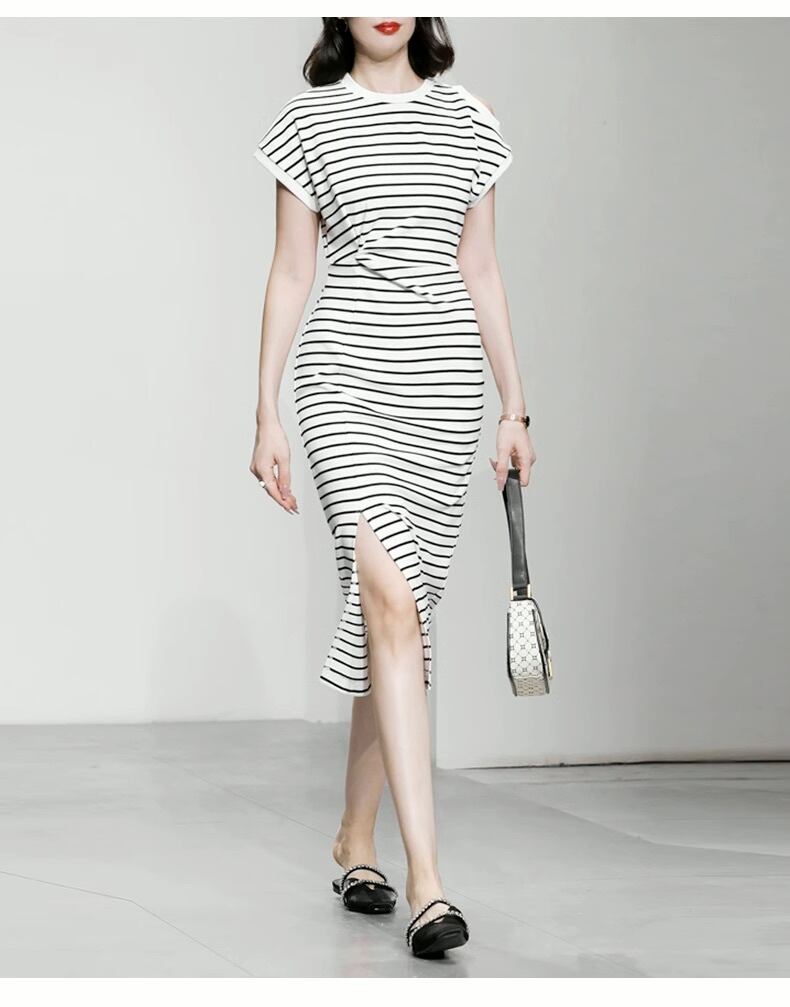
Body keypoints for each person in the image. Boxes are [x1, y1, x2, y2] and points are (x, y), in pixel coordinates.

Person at [250, 17, 535, 958]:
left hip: (443, 389)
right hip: (344, 377)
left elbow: (479, 267)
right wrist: (266, 410)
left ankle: (354, 838)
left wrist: (514, 405)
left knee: (393, 616)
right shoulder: (307, 119)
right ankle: (428, 883)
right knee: (391, 602)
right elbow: (293, 269)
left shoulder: (469, 117)